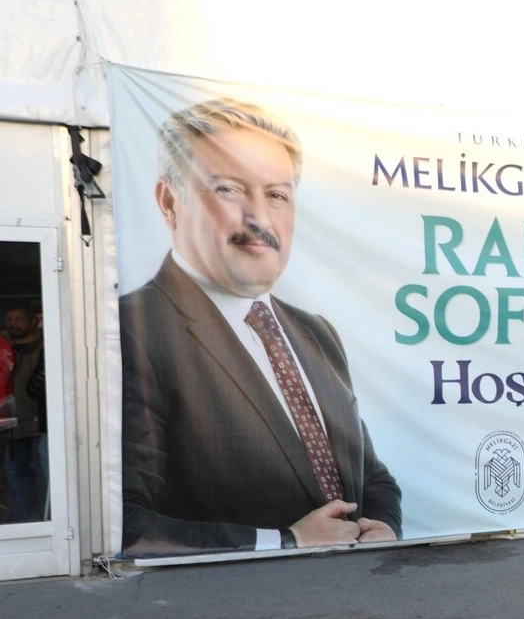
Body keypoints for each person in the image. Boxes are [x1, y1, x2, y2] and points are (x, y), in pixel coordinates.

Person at [119, 98, 401, 557]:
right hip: (240, 600)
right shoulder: (132, 330)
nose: (259, 219)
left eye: (276, 195)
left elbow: (372, 476)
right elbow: (126, 524)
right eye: (229, 189)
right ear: (170, 203)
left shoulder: (316, 334)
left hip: (358, 589)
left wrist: (383, 526)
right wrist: (286, 541)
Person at [4, 302, 47, 522]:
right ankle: (20, 524)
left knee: (44, 478)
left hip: (38, 429)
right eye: (9, 320)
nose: (14, 324)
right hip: (12, 429)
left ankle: (46, 523)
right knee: (16, 480)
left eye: (19, 319)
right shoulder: (4, 351)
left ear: (33, 321)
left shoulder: (44, 351)